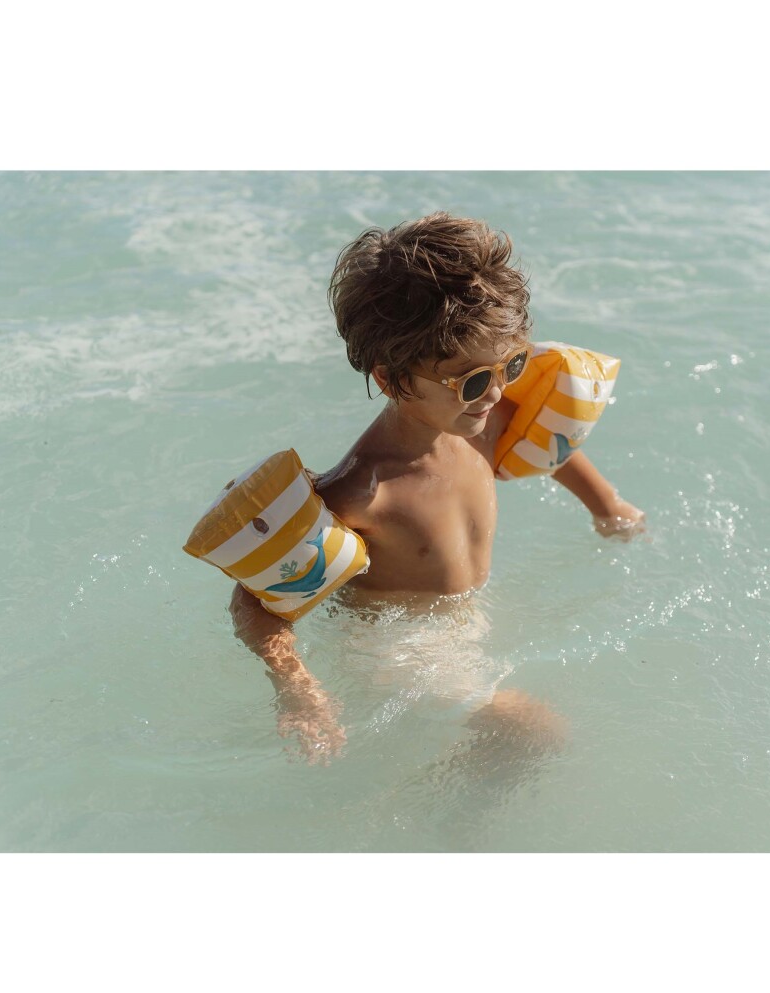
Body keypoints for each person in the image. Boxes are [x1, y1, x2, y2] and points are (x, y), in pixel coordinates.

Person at [229, 212, 645, 763]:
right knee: (537, 733)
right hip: (399, 648)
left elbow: (548, 447)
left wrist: (607, 505)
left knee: (518, 741)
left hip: (467, 618)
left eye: (511, 365)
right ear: (392, 380)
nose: (496, 393)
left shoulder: (481, 421)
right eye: (473, 380)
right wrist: (298, 689)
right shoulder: (362, 495)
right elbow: (256, 603)